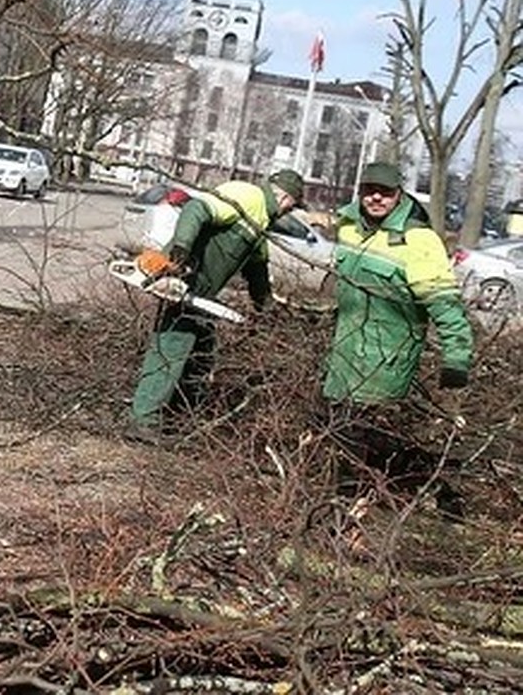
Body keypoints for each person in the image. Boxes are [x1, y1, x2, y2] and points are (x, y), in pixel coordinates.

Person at [322, 160, 473, 515]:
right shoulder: (349, 228)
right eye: (369, 190)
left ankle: (343, 517)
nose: (376, 198)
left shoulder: (418, 240)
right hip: (344, 352)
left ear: (399, 194)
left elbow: (445, 306)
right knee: (343, 429)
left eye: (385, 192)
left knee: (352, 435)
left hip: (385, 358)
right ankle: (425, 480)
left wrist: (456, 359)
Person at [128, 168, 306, 438]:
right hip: (184, 281)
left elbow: (257, 273)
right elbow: (196, 209)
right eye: (292, 205)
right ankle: (143, 420)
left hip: (203, 296)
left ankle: (177, 418)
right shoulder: (248, 195)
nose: (289, 211)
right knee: (173, 346)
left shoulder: (261, 223)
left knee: (202, 353)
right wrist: (181, 250)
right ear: (286, 199)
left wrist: (268, 313)